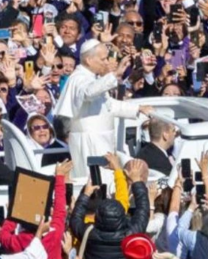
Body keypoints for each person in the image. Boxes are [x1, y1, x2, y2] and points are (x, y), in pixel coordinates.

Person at [52, 39, 152, 180]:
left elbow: (109, 105)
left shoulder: (93, 78)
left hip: (101, 140)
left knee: (106, 178)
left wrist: (138, 108)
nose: (106, 63)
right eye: (103, 59)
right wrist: (115, 75)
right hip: (90, 141)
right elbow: (88, 92)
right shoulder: (79, 78)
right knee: (95, 181)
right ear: (89, 60)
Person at [68, 158, 151, 259]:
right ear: (123, 214)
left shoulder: (87, 233)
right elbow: (143, 209)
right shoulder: (130, 234)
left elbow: (75, 218)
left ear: (98, 215)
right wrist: (137, 181)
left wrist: (86, 194)